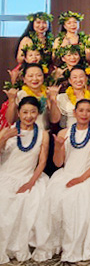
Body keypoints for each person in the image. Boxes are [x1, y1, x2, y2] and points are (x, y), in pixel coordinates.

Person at [33, 99, 90, 262]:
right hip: (66, 173)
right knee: (55, 199)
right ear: (75, 113)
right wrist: (58, 147)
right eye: (81, 110)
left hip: (87, 175)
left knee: (77, 200)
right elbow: (58, 163)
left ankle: (74, 244)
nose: (84, 114)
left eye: (88, 111)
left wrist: (81, 178)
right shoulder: (63, 133)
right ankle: (56, 242)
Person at [0, 97, 49, 263]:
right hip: (6, 176)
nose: (29, 116)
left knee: (32, 199)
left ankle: (21, 245)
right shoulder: (7, 130)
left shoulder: (42, 134)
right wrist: (4, 138)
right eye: (25, 112)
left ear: (38, 113)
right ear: (19, 113)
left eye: (33, 112)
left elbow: (42, 162)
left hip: (29, 176)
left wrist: (31, 182)